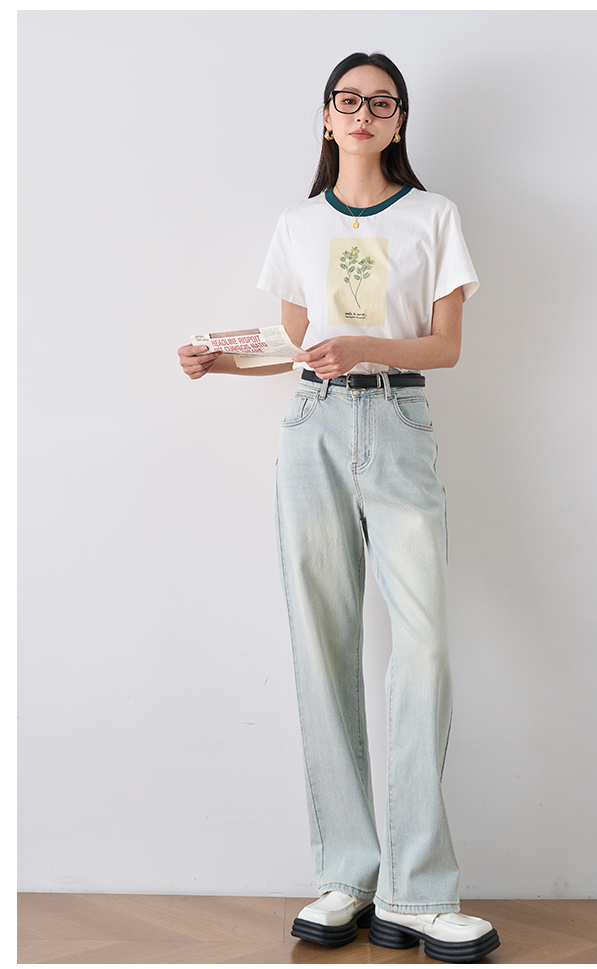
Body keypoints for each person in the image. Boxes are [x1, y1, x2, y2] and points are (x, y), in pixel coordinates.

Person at [178, 51, 500, 963]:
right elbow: (297, 349)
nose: (363, 112)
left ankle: (418, 890)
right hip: (313, 429)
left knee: (423, 649)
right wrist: (218, 363)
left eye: (381, 102)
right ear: (326, 116)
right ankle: (348, 874)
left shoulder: (434, 216)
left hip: (399, 423)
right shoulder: (298, 224)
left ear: (400, 120)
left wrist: (363, 343)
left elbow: (445, 346)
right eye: (347, 99)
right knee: (322, 645)